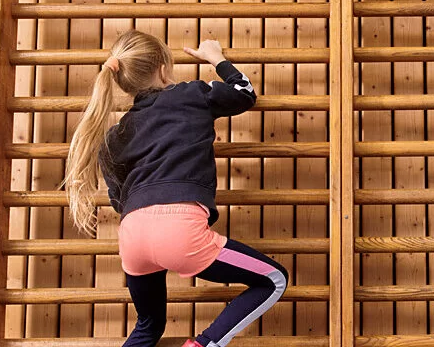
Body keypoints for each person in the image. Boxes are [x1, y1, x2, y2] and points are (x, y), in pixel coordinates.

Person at [61, 32, 287, 347]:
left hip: (132, 237)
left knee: (148, 326)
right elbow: (244, 93)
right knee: (273, 279)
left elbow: (119, 200)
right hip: (179, 231)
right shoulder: (191, 94)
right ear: (164, 69)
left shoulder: (114, 135)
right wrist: (215, 58)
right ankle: (205, 343)